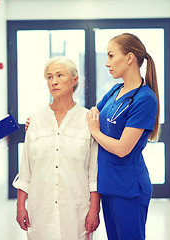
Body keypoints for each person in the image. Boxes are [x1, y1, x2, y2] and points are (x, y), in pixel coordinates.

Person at [13, 56, 100, 240]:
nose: (54, 81)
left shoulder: (88, 120)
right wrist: (21, 206)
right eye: (50, 77)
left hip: (76, 210)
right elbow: (26, 169)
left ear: (74, 80)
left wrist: (94, 209)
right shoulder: (35, 120)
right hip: (41, 209)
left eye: (60, 75)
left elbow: (94, 172)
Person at [86, 33, 160, 240]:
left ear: (129, 58)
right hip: (108, 185)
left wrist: (95, 131)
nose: (107, 63)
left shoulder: (145, 99)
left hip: (129, 189)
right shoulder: (116, 90)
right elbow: (90, 116)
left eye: (111, 56)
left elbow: (122, 148)